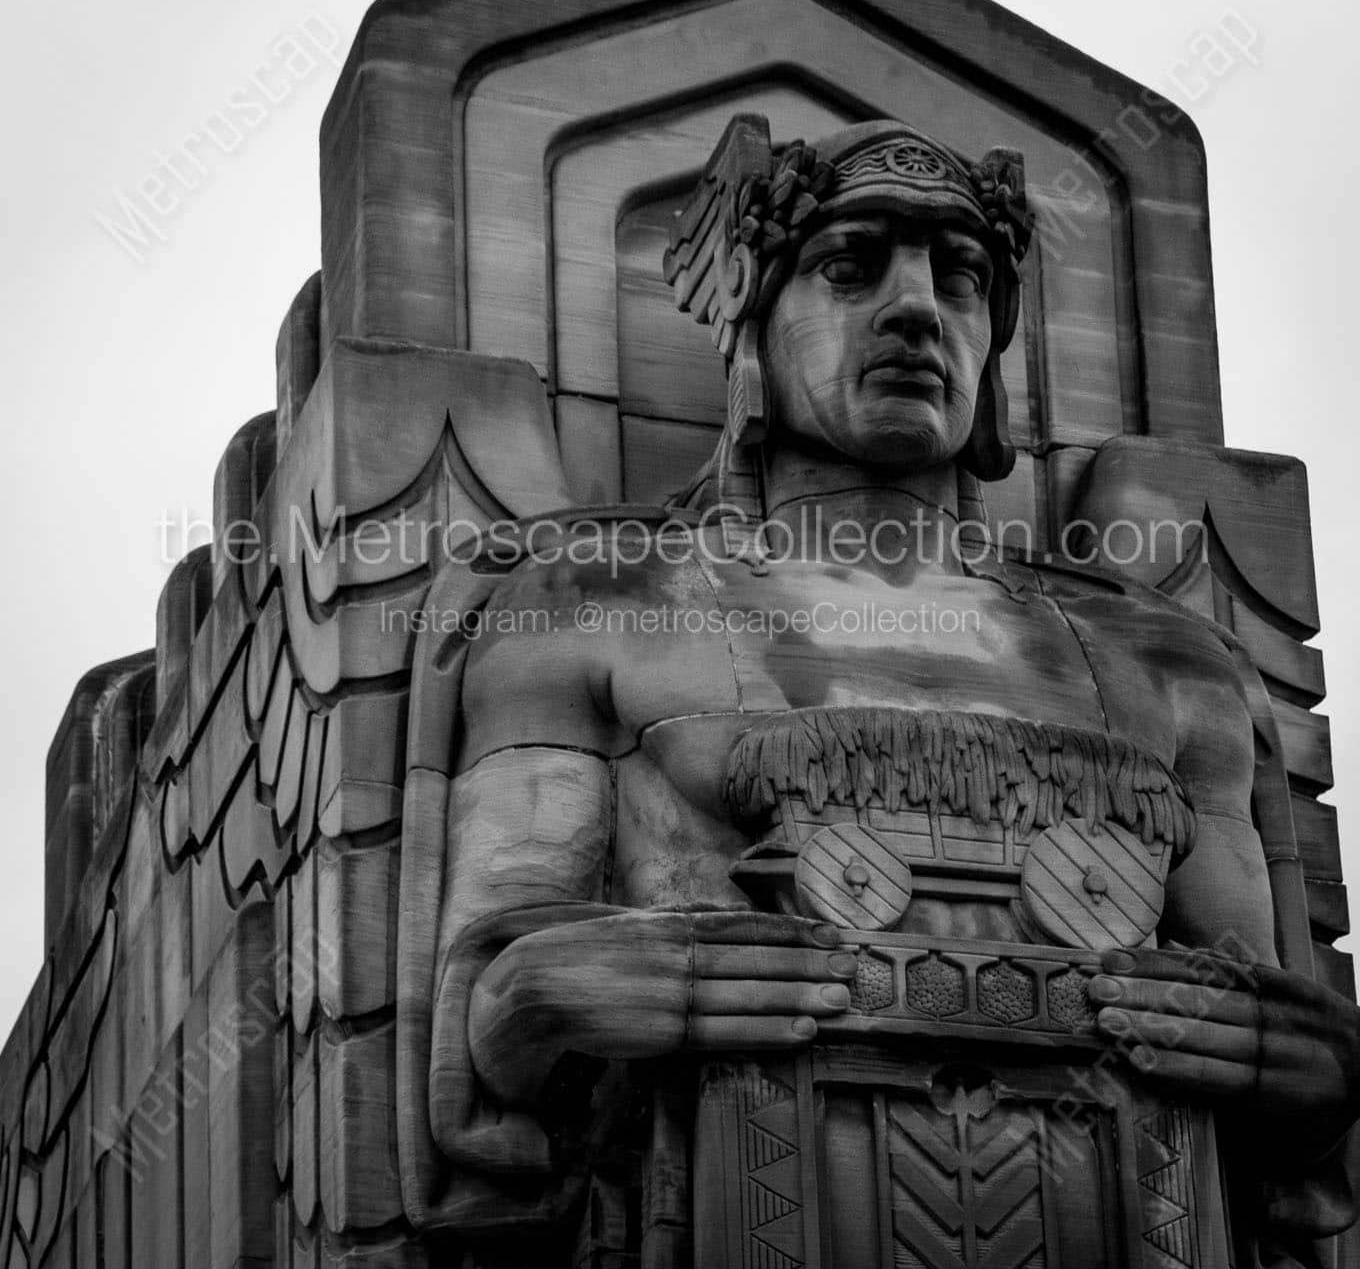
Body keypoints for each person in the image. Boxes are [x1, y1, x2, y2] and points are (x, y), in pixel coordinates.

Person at [411, 117, 1360, 1266]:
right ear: (754, 322)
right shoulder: (598, 597)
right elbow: (486, 1026)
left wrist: (1287, 1051)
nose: (916, 309)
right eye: (852, 266)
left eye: (959, 278)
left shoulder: (1165, 661)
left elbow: (1298, 1086)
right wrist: (617, 975)